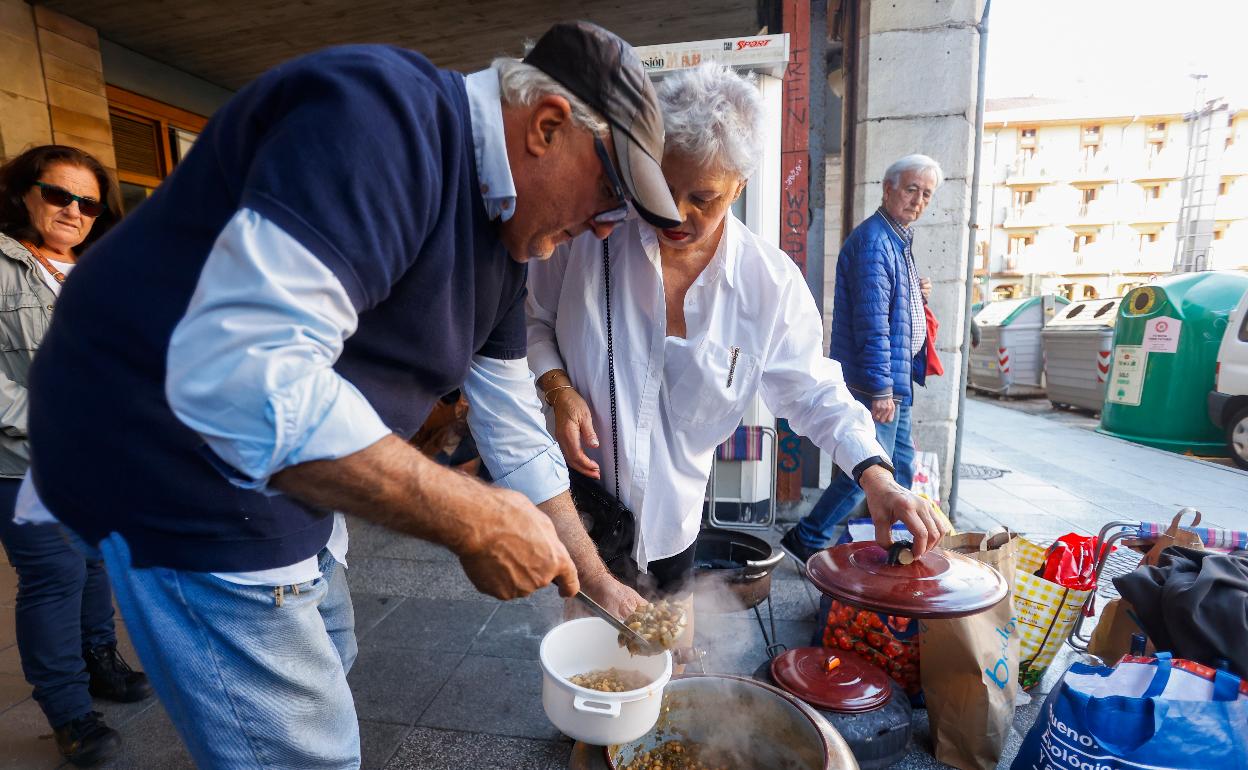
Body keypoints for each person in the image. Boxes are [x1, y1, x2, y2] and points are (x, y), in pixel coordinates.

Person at [23, 22, 681, 769]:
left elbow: (515, 431)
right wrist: (469, 517)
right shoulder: (381, 120)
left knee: (332, 651)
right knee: (312, 756)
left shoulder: (507, 249)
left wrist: (596, 583)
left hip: (287, 484)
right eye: (610, 192)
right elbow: (245, 379)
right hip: (176, 468)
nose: (603, 228)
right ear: (548, 126)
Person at [527, 64, 943, 628]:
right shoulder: (592, 238)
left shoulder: (766, 284)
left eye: (702, 196)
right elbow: (532, 322)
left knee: (664, 666)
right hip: (578, 511)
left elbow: (814, 391)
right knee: (588, 665)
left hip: (674, 522)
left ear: (740, 186)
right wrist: (557, 389)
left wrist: (878, 477)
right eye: (661, 186)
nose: (675, 212)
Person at [0, 144, 149, 767]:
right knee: (53, 577)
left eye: (87, 202)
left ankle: (99, 662)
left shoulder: (97, 268)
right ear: (23, 194)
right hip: (27, 460)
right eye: (59, 194)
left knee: (93, 566)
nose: (74, 211)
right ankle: (67, 711)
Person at [782, 154, 945, 563]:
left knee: (900, 467)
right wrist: (881, 389)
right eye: (911, 189)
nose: (918, 200)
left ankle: (899, 544)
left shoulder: (895, 238)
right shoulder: (875, 241)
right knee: (869, 471)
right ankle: (808, 537)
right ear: (888, 188)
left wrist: (914, 292)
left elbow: (891, 309)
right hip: (881, 383)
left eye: (926, 194)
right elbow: (873, 323)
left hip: (896, 379)